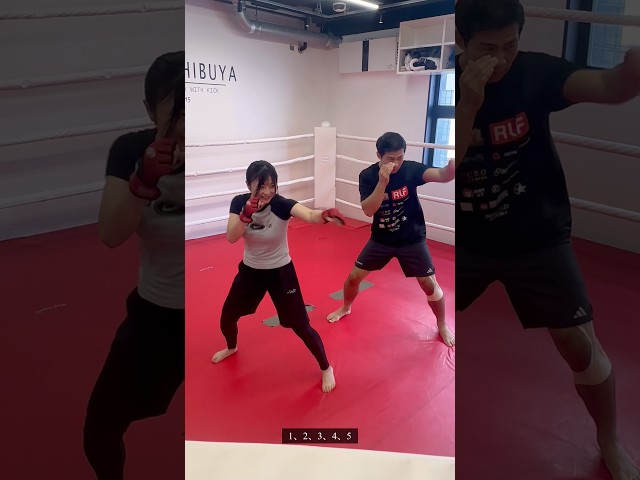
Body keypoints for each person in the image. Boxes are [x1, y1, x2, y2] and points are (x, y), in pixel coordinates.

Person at [454, 1, 640, 479]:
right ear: (461, 42)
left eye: (510, 45)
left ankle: (609, 441)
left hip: (537, 234)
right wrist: (469, 104)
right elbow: (447, 166)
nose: (501, 59)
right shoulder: (447, 82)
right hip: (466, 239)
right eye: (487, 48)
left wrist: (631, 72)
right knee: (418, 294)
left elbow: (609, 87)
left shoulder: (534, 72)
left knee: (579, 345)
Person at [83, 51, 185, 480]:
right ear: (150, 111)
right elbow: (111, 234)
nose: (187, 123)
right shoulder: (130, 152)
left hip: (206, 307)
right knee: (100, 430)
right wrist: (143, 180)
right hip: (158, 317)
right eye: (176, 110)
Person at [211, 160, 346, 393]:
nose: (267, 191)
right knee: (227, 316)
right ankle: (231, 347)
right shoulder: (239, 203)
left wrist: (325, 215)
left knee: (301, 325)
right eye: (261, 186)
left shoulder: (281, 204)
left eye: (272, 185)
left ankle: (326, 367)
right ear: (248, 185)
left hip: (280, 272)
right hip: (250, 271)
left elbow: (309, 215)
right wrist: (245, 215)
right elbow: (232, 237)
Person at [326, 132, 456, 347]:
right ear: (379, 155)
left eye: (400, 158)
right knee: (353, 278)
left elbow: (441, 175)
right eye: (390, 159)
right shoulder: (368, 176)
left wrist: (450, 170)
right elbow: (368, 210)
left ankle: (442, 324)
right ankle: (346, 307)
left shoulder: (410, 169)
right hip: (381, 240)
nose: (395, 164)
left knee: (429, 284)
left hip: (412, 238)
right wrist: (382, 182)